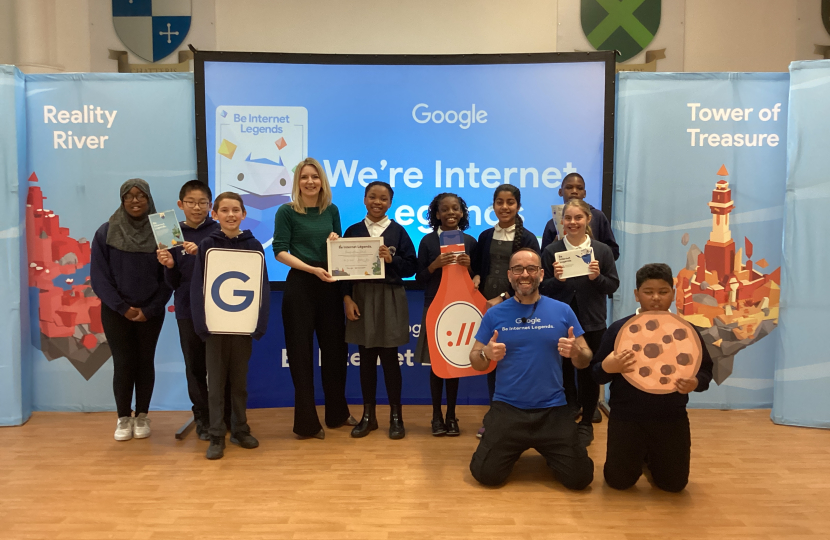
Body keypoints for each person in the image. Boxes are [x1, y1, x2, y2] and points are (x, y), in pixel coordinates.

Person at [468, 248, 594, 489]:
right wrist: (486, 353)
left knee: (581, 479)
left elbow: (585, 358)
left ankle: (550, 450)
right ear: (509, 275)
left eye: (531, 269)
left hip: (553, 410)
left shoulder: (563, 311)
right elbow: (475, 358)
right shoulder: (494, 313)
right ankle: (507, 441)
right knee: (486, 475)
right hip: (508, 409)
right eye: (518, 269)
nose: (524, 274)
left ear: (541, 273)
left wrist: (576, 353)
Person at [591, 263, 713, 492]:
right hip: (626, 417)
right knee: (619, 482)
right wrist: (608, 366)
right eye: (648, 292)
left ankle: (650, 457)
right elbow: (596, 373)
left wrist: (695, 383)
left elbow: (706, 371)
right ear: (637, 295)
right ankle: (641, 455)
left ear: (673, 294)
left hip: (670, 416)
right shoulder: (619, 329)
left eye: (663, 292)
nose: (656, 298)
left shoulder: (688, 331)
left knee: (674, 485)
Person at [273, 157, 355, 439]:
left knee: (335, 353)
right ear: (297, 182)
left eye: (315, 177)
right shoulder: (286, 212)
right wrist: (311, 269)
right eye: (304, 177)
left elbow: (338, 249)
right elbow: (280, 251)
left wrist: (335, 241)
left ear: (322, 181)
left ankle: (337, 414)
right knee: (301, 356)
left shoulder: (331, 210)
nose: (310, 182)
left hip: (329, 287)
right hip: (300, 287)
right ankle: (307, 424)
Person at [90, 178, 172, 441]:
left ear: (149, 199)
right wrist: (123, 307)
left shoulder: (164, 229)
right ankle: (124, 418)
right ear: (122, 199)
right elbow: (100, 277)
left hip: (151, 311)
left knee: (145, 362)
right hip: (116, 312)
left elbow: (171, 275)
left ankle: (143, 416)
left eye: (141, 196)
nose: (135, 201)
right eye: (129, 196)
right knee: (124, 363)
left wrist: (151, 308)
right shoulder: (105, 232)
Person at [191, 192, 270, 460]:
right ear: (215, 215)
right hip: (215, 328)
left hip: (242, 327)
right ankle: (216, 435)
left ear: (244, 214)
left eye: (236, 210)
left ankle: (240, 429)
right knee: (216, 384)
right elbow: (198, 288)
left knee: (239, 383)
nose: (231, 215)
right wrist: (202, 325)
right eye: (224, 210)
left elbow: (262, 287)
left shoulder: (255, 245)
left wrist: (258, 323)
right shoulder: (207, 245)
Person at [540, 199, 619, 447]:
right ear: (561, 222)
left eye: (578, 218)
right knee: (561, 371)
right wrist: (557, 281)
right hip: (558, 321)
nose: (573, 223)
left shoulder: (602, 251)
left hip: (592, 322)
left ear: (587, 220)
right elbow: (541, 289)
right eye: (568, 218)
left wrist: (596, 278)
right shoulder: (551, 252)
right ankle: (566, 417)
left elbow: (613, 286)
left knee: (589, 374)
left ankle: (586, 422)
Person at [343, 181, 418, 439]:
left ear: (390, 202)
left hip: (390, 296)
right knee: (365, 360)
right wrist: (346, 298)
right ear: (364, 199)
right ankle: (368, 416)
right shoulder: (352, 231)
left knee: (389, 360)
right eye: (372, 197)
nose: (377, 202)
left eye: (383, 198)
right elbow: (341, 270)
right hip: (361, 297)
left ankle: (396, 417)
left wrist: (392, 259)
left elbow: (411, 267)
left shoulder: (398, 231)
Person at [471, 185, 540, 438]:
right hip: (489, 310)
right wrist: (477, 276)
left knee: (515, 363)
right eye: (499, 202)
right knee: (492, 361)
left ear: (518, 206)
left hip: (516, 307)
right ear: (493, 205)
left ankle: (522, 420)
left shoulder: (528, 238)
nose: (504, 207)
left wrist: (502, 297)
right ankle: (495, 418)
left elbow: (529, 279)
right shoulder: (485, 235)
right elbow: (480, 268)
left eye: (510, 202)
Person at [156, 180, 222, 441]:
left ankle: (222, 416)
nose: (197, 208)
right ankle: (202, 417)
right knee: (195, 367)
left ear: (211, 206)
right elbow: (172, 284)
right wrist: (170, 265)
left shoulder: (219, 232)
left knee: (219, 366)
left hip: (220, 310)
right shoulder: (170, 234)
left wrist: (202, 253)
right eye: (191, 203)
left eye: (203, 203)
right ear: (180, 205)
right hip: (186, 309)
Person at [415, 193, 477, 436]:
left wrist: (469, 266)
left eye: (456, 209)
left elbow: (477, 277)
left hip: (460, 308)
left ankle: (452, 416)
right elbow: (420, 277)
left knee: (453, 364)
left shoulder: (470, 241)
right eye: (445, 209)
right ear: (436, 214)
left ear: (462, 213)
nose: (451, 213)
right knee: (436, 365)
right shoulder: (428, 242)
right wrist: (434, 265)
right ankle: (436, 417)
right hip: (435, 307)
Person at [540, 172, 619, 260]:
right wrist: (556, 245)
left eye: (579, 188)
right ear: (560, 192)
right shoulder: (552, 224)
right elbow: (543, 259)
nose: (574, 191)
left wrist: (592, 250)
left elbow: (614, 252)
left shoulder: (598, 217)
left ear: (584, 193)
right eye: (569, 187)